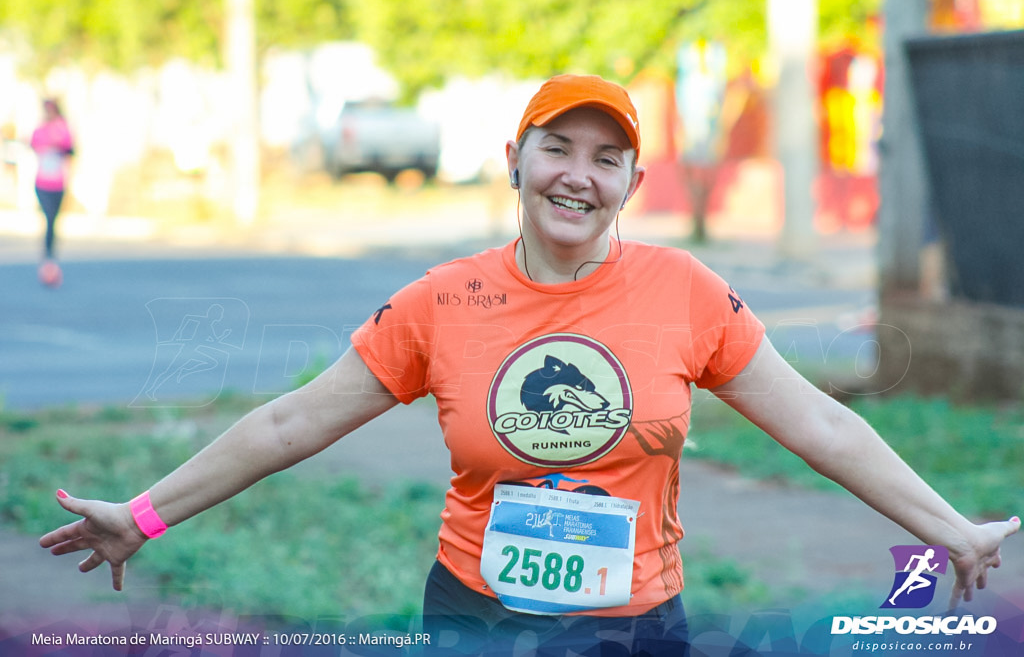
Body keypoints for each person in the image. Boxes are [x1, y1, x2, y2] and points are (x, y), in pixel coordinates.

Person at [39, 75, 1018, 656]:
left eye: (605, 158)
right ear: (516, 158)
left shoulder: (683, 291)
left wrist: (948, 527)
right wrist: (145, 513)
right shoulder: (439, 300)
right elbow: (292, 422)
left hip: (636, 622)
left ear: (632, 180)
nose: (577, 176)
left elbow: (824, 425)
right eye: (558, 148)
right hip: (476, 614)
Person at [30, 98, 75, 287]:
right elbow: (33, 145)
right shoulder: (39, 130)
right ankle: (48, 258)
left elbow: (72, 151)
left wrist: (59, 149)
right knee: (48, 218)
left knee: (54, 220)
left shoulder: (63, 129)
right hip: (42, 182)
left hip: (58, 182)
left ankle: (51, 255)